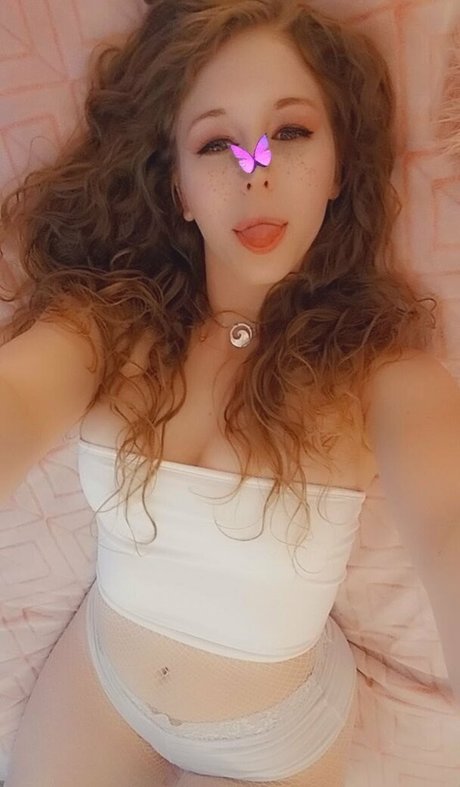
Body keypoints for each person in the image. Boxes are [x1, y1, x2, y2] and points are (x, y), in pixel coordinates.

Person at [1, 1, 452, 785]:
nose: (256, 170)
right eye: (216, 143)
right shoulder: (111, 324)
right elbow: (17, 395)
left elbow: (450, 523)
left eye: (291, 131)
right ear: (178, 187)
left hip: (273, 737)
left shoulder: (379, 373)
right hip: (104, 684)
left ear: (339, 169)